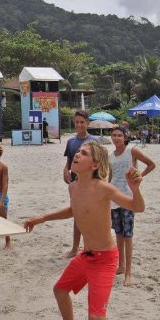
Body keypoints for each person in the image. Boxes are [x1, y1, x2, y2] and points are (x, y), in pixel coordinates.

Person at [25, 141, 145, 320]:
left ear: (96, 164)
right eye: (78, 152)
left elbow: (136, 207)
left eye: (84, 153)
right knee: (60, 290)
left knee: (96, 317)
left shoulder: (104, 188)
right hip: (86, 255)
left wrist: (135, 188)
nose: (77, 155)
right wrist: (42, 218)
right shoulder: (73, 187)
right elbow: (73, 209)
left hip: (105, 259)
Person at [110, 127, 155, 286]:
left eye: (119, 135)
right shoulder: (110, 156)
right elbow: (110, 177)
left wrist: (138, 177)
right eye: (114, 135)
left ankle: (128, 272)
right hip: (114, 199)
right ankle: (121, 266)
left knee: (128, 236)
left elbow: (151, 164)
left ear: (125, 137)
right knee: (119, 234)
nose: (116, 138)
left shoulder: (132, 151)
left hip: (129, 198)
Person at [62, 110, 98, 258]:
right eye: (76, 122)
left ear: (87, 123)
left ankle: (89, 247)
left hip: (90, 184)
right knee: (77, 215)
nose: (79, 125)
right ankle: (75, 248)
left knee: (89, 216)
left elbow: (98, 163)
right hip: (75, 183)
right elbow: (69, 161)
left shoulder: (94, 141)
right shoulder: (71, 141)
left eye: (82, 122)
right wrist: (65, 170)